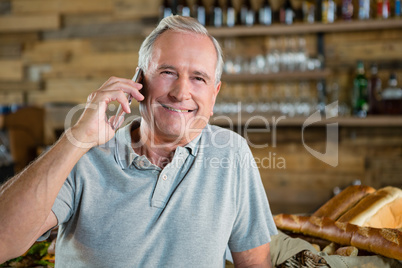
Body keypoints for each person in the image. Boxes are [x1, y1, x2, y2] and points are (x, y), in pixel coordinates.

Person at [0, 15, 277, 267]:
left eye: (198, 78)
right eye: (168, 72)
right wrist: (77, 138)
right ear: (139, 80)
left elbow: (254, 262)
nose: (181, 92)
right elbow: (4, 241)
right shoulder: (84, 155)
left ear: (214, 95)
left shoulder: (231, 152)